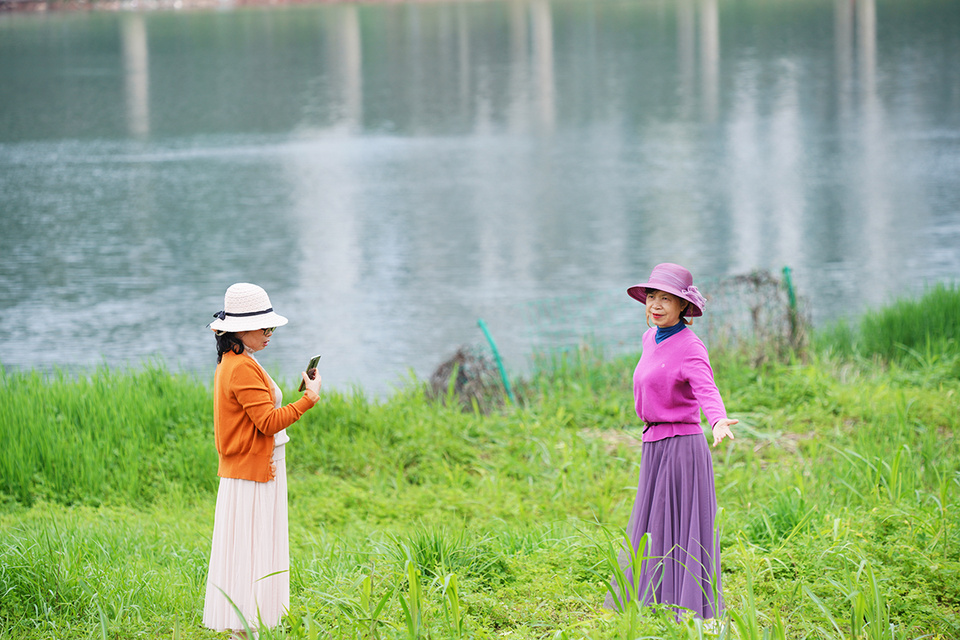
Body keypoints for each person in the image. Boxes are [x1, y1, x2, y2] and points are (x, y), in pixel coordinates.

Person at [606, 263, 737, 620]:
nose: (657, 305)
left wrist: (718, 419)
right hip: (654, 445)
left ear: (684, 307)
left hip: (682, 446)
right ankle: (654, 600)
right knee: (654, 523)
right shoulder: (650, 338)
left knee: (682, 525)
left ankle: (691, 609)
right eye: (652, 296)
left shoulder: (691, 347)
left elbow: (706, 389)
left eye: (667, 298)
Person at [202, 282, 322, 635]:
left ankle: (247, 623)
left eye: (271, 326)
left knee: (249, 546)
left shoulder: (239, 361)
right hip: (253, 471)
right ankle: (248, 622)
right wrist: (309, 399)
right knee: (253, 546)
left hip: (254, 468)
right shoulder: (240, 367)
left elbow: (260, 411)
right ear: (239, 330)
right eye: (263, 326)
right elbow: (268, 421)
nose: (270, 332)